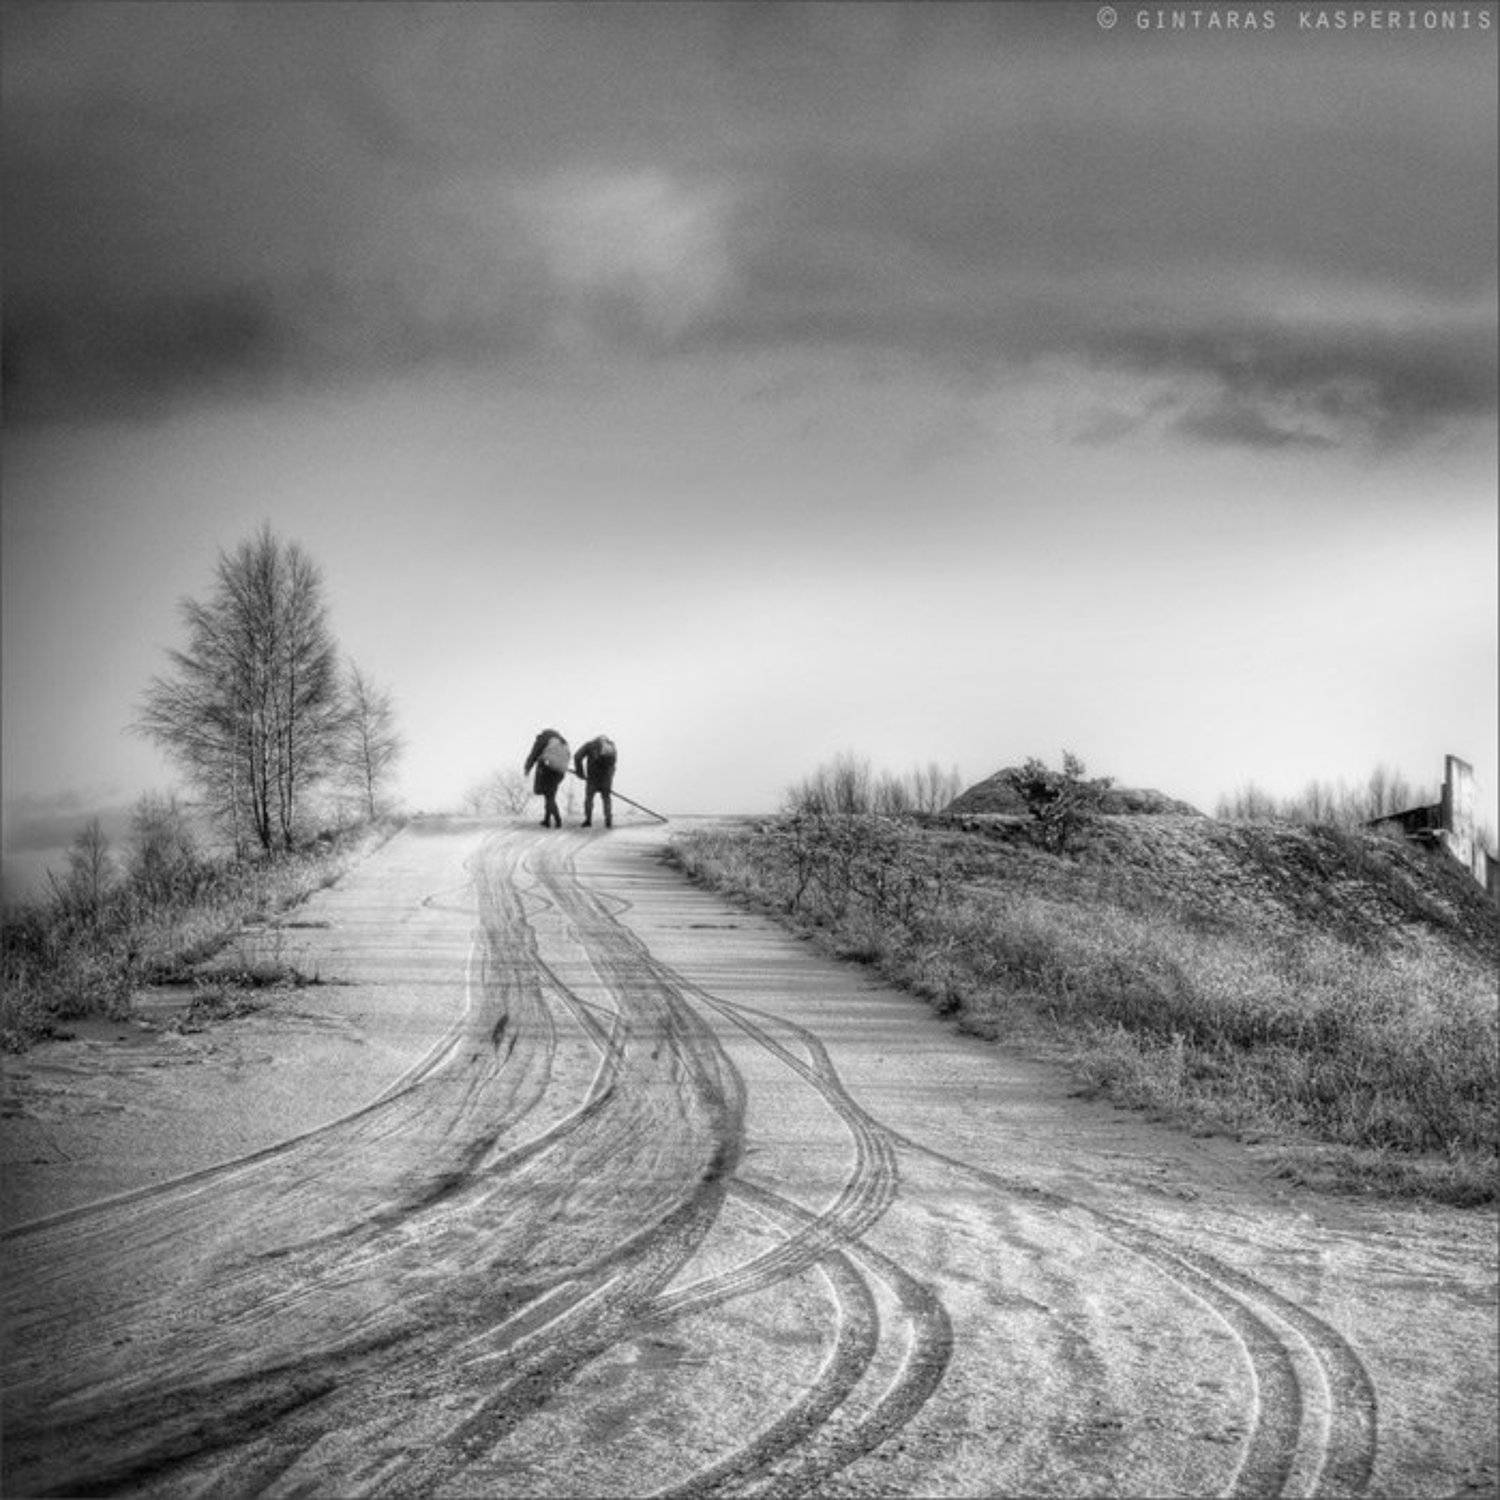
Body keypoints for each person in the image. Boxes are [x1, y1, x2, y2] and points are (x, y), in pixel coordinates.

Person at [524, 727, 570, 829]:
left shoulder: (543, 739)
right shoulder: (562, 741)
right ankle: (547, 820)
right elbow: (567, 756)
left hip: (547, 769)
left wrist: (527, 767)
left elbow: (534, 754)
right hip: (560, 771)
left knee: (548, 795)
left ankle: (557, 820)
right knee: (550, 794)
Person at [573, 734, 618, 828]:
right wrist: (610, 778)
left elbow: (577, 756)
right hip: (606, 779)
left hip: (592, 778)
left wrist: (580, 773)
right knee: (606, 799)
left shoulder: (590, 745)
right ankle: (608, 820)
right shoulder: (611, 746)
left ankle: (588, 820)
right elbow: (613, 765)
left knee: (589, 799)